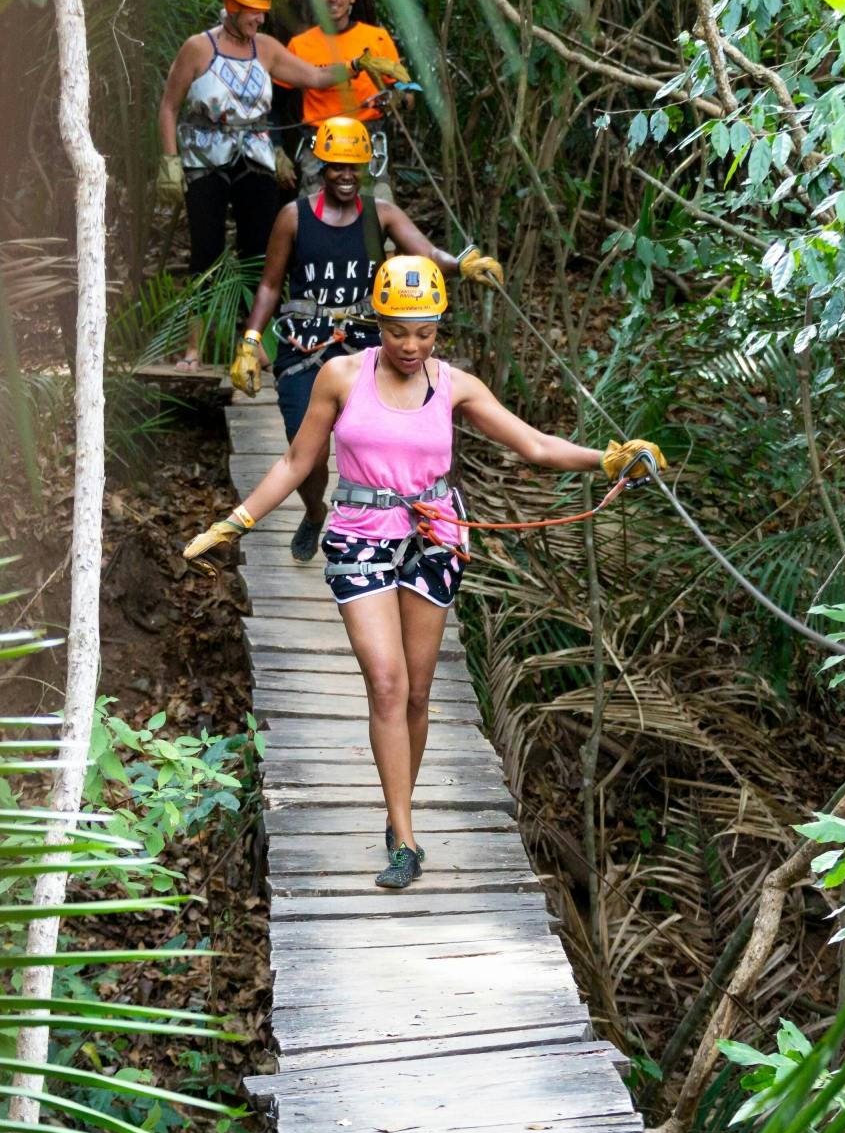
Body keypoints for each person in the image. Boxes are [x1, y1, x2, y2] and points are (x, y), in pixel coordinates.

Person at [184, 256, 666, 889]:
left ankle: (397, 817)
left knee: (415, 690)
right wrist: (238, 521)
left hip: (433, 538)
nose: (411, 345)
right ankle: (406, 839)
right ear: (378, 322)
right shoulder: (340, 376)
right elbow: (297, 462)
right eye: (398, 331)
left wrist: (608, 459)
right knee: (384, 683)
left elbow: (536, 446)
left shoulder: (453, 385)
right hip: (359, 535)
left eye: (425, 332)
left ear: (438, 327)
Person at [228, 115, 502, 564]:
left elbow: (427, 253)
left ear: (366, 167)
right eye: (337, 165)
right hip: (304, 348)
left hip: (366, 348)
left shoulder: (383, 216)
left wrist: (464, 265)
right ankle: (315, 511)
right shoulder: (293, 217)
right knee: (307, 454)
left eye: (354, 166)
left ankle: (388, 530)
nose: (345, 175)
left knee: (390, 439)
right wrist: (250, 338)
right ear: (322, 165)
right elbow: (270, 285)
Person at [156, 0, 406, 370]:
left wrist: (358, 66)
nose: (258, 19)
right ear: (230, 6)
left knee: (260, 253)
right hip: (205, 161)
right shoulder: (198, 48)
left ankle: (255, 346)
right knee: (206, 253)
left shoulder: (267, 48)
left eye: (262, 13)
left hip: (255, 159)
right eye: (251, 12)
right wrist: (169, 161)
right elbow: (169, 106)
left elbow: (315, 77)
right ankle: (193, 348)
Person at [276, 0, 406, 202]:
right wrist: (276, 149)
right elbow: (275, 101)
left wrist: (398, 98)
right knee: (316, 220)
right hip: (319, 146)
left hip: (367, 142)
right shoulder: (299, 46)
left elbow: (403, 90)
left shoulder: (376, 39)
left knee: (376, 219)